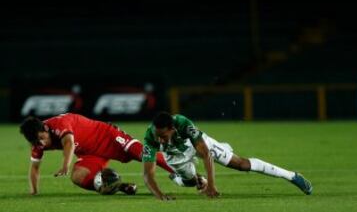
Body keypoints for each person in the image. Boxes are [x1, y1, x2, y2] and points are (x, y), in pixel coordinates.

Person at [142, 112, 313, 200]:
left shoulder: (184, 124)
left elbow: (206, 154)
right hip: (174, 156)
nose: (159, 139)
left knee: (241, 164)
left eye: (163, 135)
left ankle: (292, 176)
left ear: (172, 129)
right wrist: (160, 195)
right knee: (189, 182)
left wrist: (212, 186)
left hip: (194, 144)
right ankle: (180, 177)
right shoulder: (150, 137)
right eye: (157, 135)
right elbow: (147, 174)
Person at [20, 113, 174, 195]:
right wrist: (33, 191)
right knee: (78, 177)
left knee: (145, 154)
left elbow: (69, 143)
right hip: (91, 154)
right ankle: (117, 186)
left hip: (108, 137)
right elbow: (34, 167)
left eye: (41, 138)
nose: (41, 144)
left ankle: (190, 175)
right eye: (35, 142)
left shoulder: (58, 124)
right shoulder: (37, 143)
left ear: (45, 129)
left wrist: (65, 165)